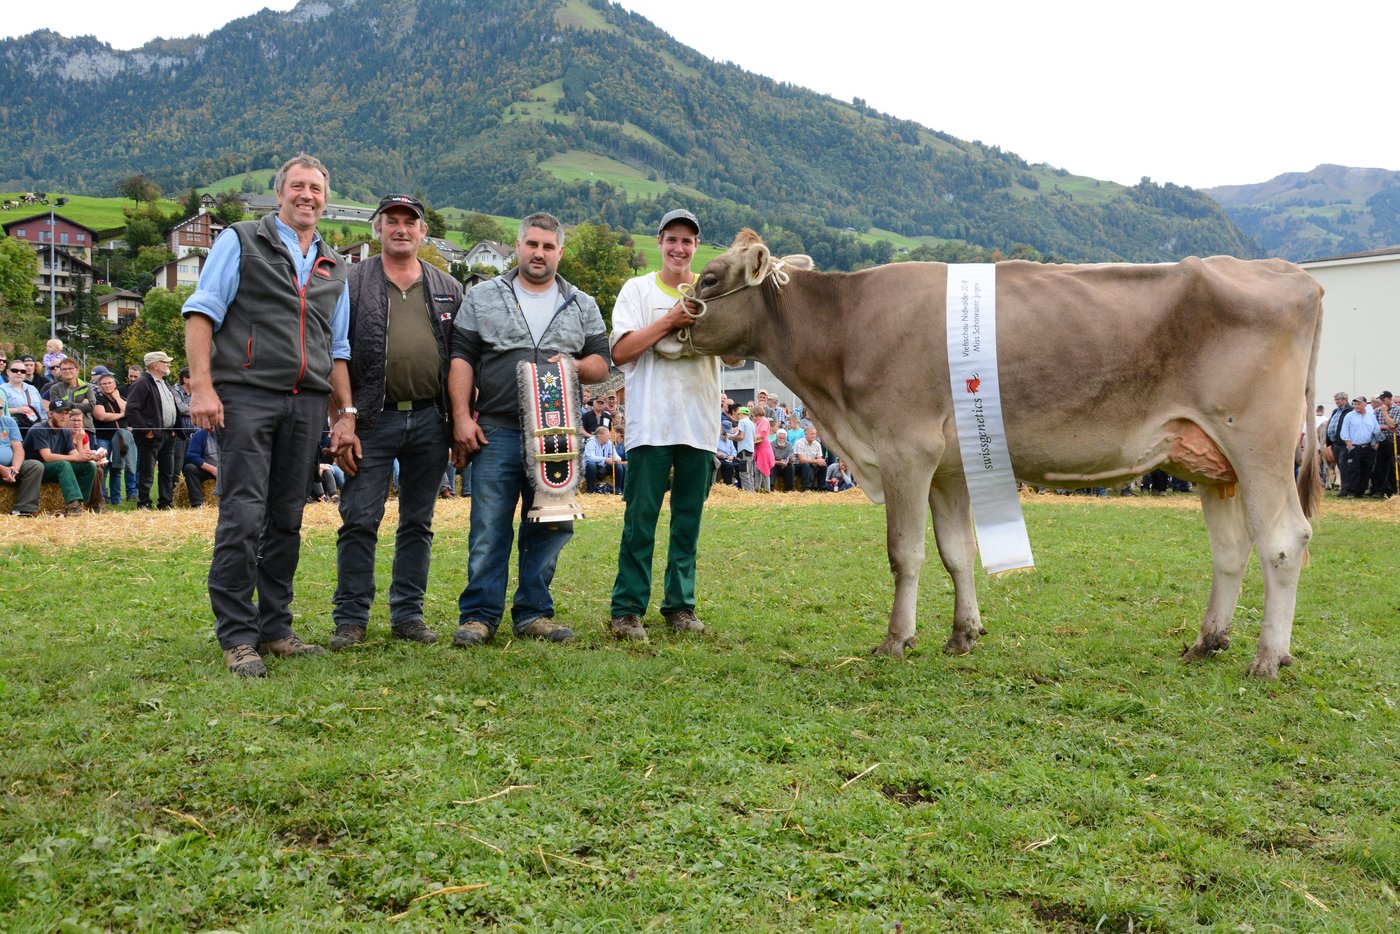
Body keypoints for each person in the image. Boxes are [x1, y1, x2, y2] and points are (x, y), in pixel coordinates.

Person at [183, 153, 352, 678]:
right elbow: (201, 311)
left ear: (326, 199)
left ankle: (275, 628)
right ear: (280, 193)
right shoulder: (241, 239)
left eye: (316, 189)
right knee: (243, 515)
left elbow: (338, 346)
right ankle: (237, 635)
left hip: (306, 402)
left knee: (287, 518)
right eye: (298, 186)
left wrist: (343, 412)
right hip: (248, 394)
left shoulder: (334, 263)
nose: (307, 196)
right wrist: (204, 388)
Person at [448, 211, 610, 647]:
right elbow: (461, 358)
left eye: (548, 246)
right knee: (488, 527)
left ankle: (534, 613)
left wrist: (574, 365)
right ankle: (479, 616)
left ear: (560, 251)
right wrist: (462, 418)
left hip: (558, 435)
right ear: (518, 246)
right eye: (532, 244)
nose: (539, 253)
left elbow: (601, 362)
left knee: (551, 526)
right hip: (496, 429)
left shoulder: (582, 303)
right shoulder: (483, 296)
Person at [329, 194, 463, 651]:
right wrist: (343, 416)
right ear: (378, 229)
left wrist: (459, 418)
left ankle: (407, 614)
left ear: (424, 232)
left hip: (430, 418)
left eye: (411, 222)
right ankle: (350, 619)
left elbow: (462, 357)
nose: (401, 228)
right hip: (370, 420)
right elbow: (335, 352)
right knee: (359, 518)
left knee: (418, 522)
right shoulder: (351, 282)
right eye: (392, 221)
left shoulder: (447, 286)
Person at [605, 208, 720, 641]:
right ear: (660, 242)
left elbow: (732, 356)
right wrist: (671, 319)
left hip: (699, 422)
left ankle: (680, 606)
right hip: (651, 423)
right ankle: (627, 609)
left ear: (696, 247)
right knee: (641, 519)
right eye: (672, 239)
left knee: (687, 520)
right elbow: (621, 352)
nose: (679, 248)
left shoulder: (712, 292)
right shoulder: (636, 290)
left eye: (688, 241)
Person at [23, 400, 103, 516]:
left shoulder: (65, 431)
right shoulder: (39, 429)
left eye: (66, 413)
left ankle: (82, 504)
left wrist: (89, 457)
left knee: (89, 466)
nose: (64, 416)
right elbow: (47, 457)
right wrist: (77, 458)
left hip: (53, 467)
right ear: (50, 414)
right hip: (35, 469)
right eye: (60, 413)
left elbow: (74, 455)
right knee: (63, 464)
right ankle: (73, 504)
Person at [124, 351, 179, 510]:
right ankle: (144, 503)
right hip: (151, 435)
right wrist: (147, 430)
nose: (168, 364)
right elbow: (132, 410)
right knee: (147, 470)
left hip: (168, 434)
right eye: (165, 362)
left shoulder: (163, 382)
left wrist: (173, 428)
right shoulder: (142, 383)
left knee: (167, 471)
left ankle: (165, 502)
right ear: (155, 364)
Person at [91, 374, 129, 504]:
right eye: (104, 384)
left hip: (120, 439)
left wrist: (117, 398)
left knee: (117, 469)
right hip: (104, 438)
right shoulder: (98, 399)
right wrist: (121, 415)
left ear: (115, 384)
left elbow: (129, 411)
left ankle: (116, 499)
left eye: (109, 383)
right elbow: (101, 416)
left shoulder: (122, 398)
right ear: (99, 386)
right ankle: (102, 497)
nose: (107, 386)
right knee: (103, 468)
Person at [1, 406, 44, 517]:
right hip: (2, 468)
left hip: (9, 467)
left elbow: (18, 449)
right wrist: (1, 468)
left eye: (0, 408)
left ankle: (23, 510)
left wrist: (15, 469)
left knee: (35, 466)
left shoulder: (8, 421)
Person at [41, 357, 97, 436]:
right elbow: (56, 409)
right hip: (63, 429)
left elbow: (91, 407)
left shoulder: (87, 386)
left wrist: (66, 405)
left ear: (77, 370)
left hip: (86, 428)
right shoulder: (55, 388)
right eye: (64, 369)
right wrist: (82, 405)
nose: (67, 371)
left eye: (70, 368)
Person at [1338, 396, 1379, 498]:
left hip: (1368, 447)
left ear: (1365, 404)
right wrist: (1350, 445)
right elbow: (1344, 431)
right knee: (1354, 470)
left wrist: (1376, 444)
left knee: (1367, 470)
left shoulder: (1371, 416)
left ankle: (1360, 492)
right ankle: (1351, 491)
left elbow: (1376, 430)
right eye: (1355, 404)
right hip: (1354, 447)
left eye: (1359, 403)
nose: (1356, 406)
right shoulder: (1349, 416)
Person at [3, 358, 45, 433]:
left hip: (37, 429)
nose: (19, 373)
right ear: (8, 372)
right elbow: (1, 411)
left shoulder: (33, 389)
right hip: (14, 430)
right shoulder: (2, 390)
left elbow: (42, 410)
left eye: (22, 371)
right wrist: (17, 410)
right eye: (15, 370)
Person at [1369, 391, 1398, 498]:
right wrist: (1386, 426)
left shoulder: (1397, 410)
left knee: (1392, 465)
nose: (1382, 402)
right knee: (1379, 466)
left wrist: (1385, 413)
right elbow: (1374, 427)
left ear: (1390, 399)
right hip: (1381, 441)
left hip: (1394, 441)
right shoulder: (1376, 411)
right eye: (1381, 400)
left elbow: (1393, 426)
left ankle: (1391, 489)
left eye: (1384, 400)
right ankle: (1378, 489)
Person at [183, 427, 219, 508]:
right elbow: (191, 456)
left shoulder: (230, 436)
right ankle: (197, 504)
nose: (212, 426)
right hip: (207, 470)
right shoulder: (200, 435)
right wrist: (213, 470)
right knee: (190, 468)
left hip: (226, 470)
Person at [583, 425, 625, 493]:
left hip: (604, 467)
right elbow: (590, 457)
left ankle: (618, 489)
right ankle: (591, 490)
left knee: (618, 464)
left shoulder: (608, 443)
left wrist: (617, 459)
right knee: (591, 464)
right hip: (592, 468)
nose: (610, 437)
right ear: (600, 436)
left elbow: (615, 455)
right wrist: (605, 459)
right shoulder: (591, 442)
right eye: (607, 435)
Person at [795, 425, 828, 491]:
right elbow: (801, 460)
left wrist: (820, 461)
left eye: (814, 434)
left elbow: (819, 459)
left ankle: (821, 488)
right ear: (805, 434)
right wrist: (816, 461)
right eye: (811, 434)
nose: (813, 435)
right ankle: (806, 488)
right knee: (806, 465)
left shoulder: (817, 444)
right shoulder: (799, 443)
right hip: (799, 465)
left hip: (812, 464)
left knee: (823, 465)